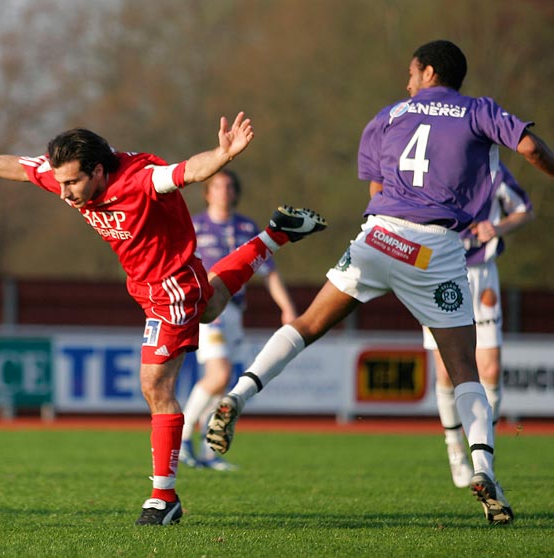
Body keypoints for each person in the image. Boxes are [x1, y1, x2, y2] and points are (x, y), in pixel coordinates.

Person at [0, 112, 326, 526]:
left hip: (172, 290)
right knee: (213, 304)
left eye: (72, 182)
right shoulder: (66, 175)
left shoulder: (140, 178)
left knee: (154, 385)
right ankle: (275, 234)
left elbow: (187, 172)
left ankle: (164, 498)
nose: (64, 192)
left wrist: (222, 154)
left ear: (96, 169)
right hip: (148, 287)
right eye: (60, 182)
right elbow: (21, 168)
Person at [207, 41, 554, 525]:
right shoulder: (479, 111)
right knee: (464, 372)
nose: (406, 82)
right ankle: (483, 470)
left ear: (429, 71)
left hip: (380, 236)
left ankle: (238, 395)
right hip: (436, 249)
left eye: (411, 73)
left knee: (308, 323)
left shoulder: (388, 116)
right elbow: (532, 148)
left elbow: (376, 189)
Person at [423, 162, 533, 488]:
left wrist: (497, 229)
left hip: (482, 274)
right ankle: (454, 447)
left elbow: (525, 210)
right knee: (445, 370)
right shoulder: (433, 171)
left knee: (491, 370)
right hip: (441, 273)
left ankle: (485, 452)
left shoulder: (496, 173)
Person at [180, 169, 298, 471]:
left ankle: (208, 452)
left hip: (235, 311)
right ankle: (181, 439)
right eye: (217, 186)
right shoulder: (194, 225)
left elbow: (269, 271)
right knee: (218, 375)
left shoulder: (246, 226)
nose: (224, 191)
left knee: (223, 384)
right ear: (207, 192)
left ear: (236, 192)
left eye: (229, 186)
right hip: (209, 311)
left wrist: (286, 307)